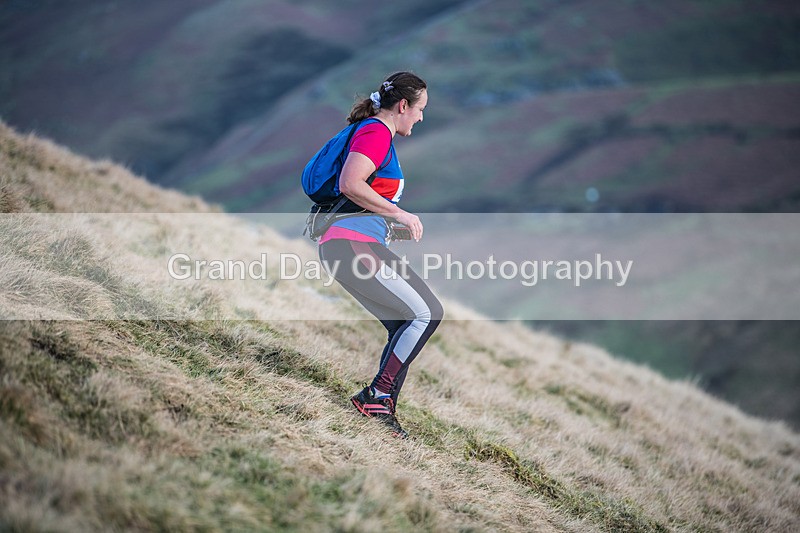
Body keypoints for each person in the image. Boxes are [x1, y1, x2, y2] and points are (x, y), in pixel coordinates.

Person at [317, 71, 444, 439]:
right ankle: (377, 396)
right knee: (427, 313)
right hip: (352, 246)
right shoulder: (376, 132)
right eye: (420, 109)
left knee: (405, 322)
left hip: (349, 244)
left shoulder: (375, 134)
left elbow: (360, 194)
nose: (421, 118)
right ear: (403, 106)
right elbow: (350, 184)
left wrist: (387, 223)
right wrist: (398, 213)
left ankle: (382, 407)